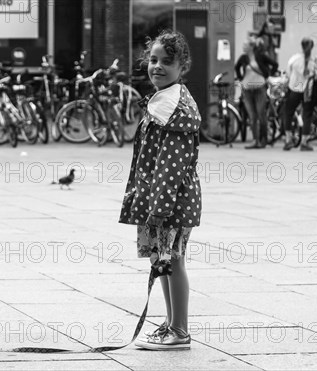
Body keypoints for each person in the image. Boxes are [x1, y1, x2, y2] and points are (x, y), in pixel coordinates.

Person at [119, 29, 201, 350]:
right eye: (153, 60)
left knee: (173, 261)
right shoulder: (162, 103)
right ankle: (170, 325)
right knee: (162, 261)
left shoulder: (175, 110)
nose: (157, 66)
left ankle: (180, 330)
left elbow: (172, 166)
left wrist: (160, 207)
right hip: (159, 202)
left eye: (167, 62)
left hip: (170, 204)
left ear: (183, 67)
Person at [235, 37, 279, 149]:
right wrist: (241, 78)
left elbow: (275, 64)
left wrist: (268, 75)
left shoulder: (260, 56)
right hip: (247, 90)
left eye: (245, 45)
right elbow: (237, 67)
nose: (243, 46)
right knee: (252, 116)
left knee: (261, 114)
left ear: (251, 46)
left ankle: (263, 140)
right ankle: (255, 140)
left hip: (260, 88)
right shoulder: (243, 58)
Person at [281, 37, 317, 151]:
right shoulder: (315, 60)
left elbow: (288, 74)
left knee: (288, 112)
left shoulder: (294, 59)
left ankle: (288, 140)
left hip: (295, 87)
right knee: (307, 115)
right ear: (312, 47)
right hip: (308, 90)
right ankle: (304, 142)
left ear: (301, 46)